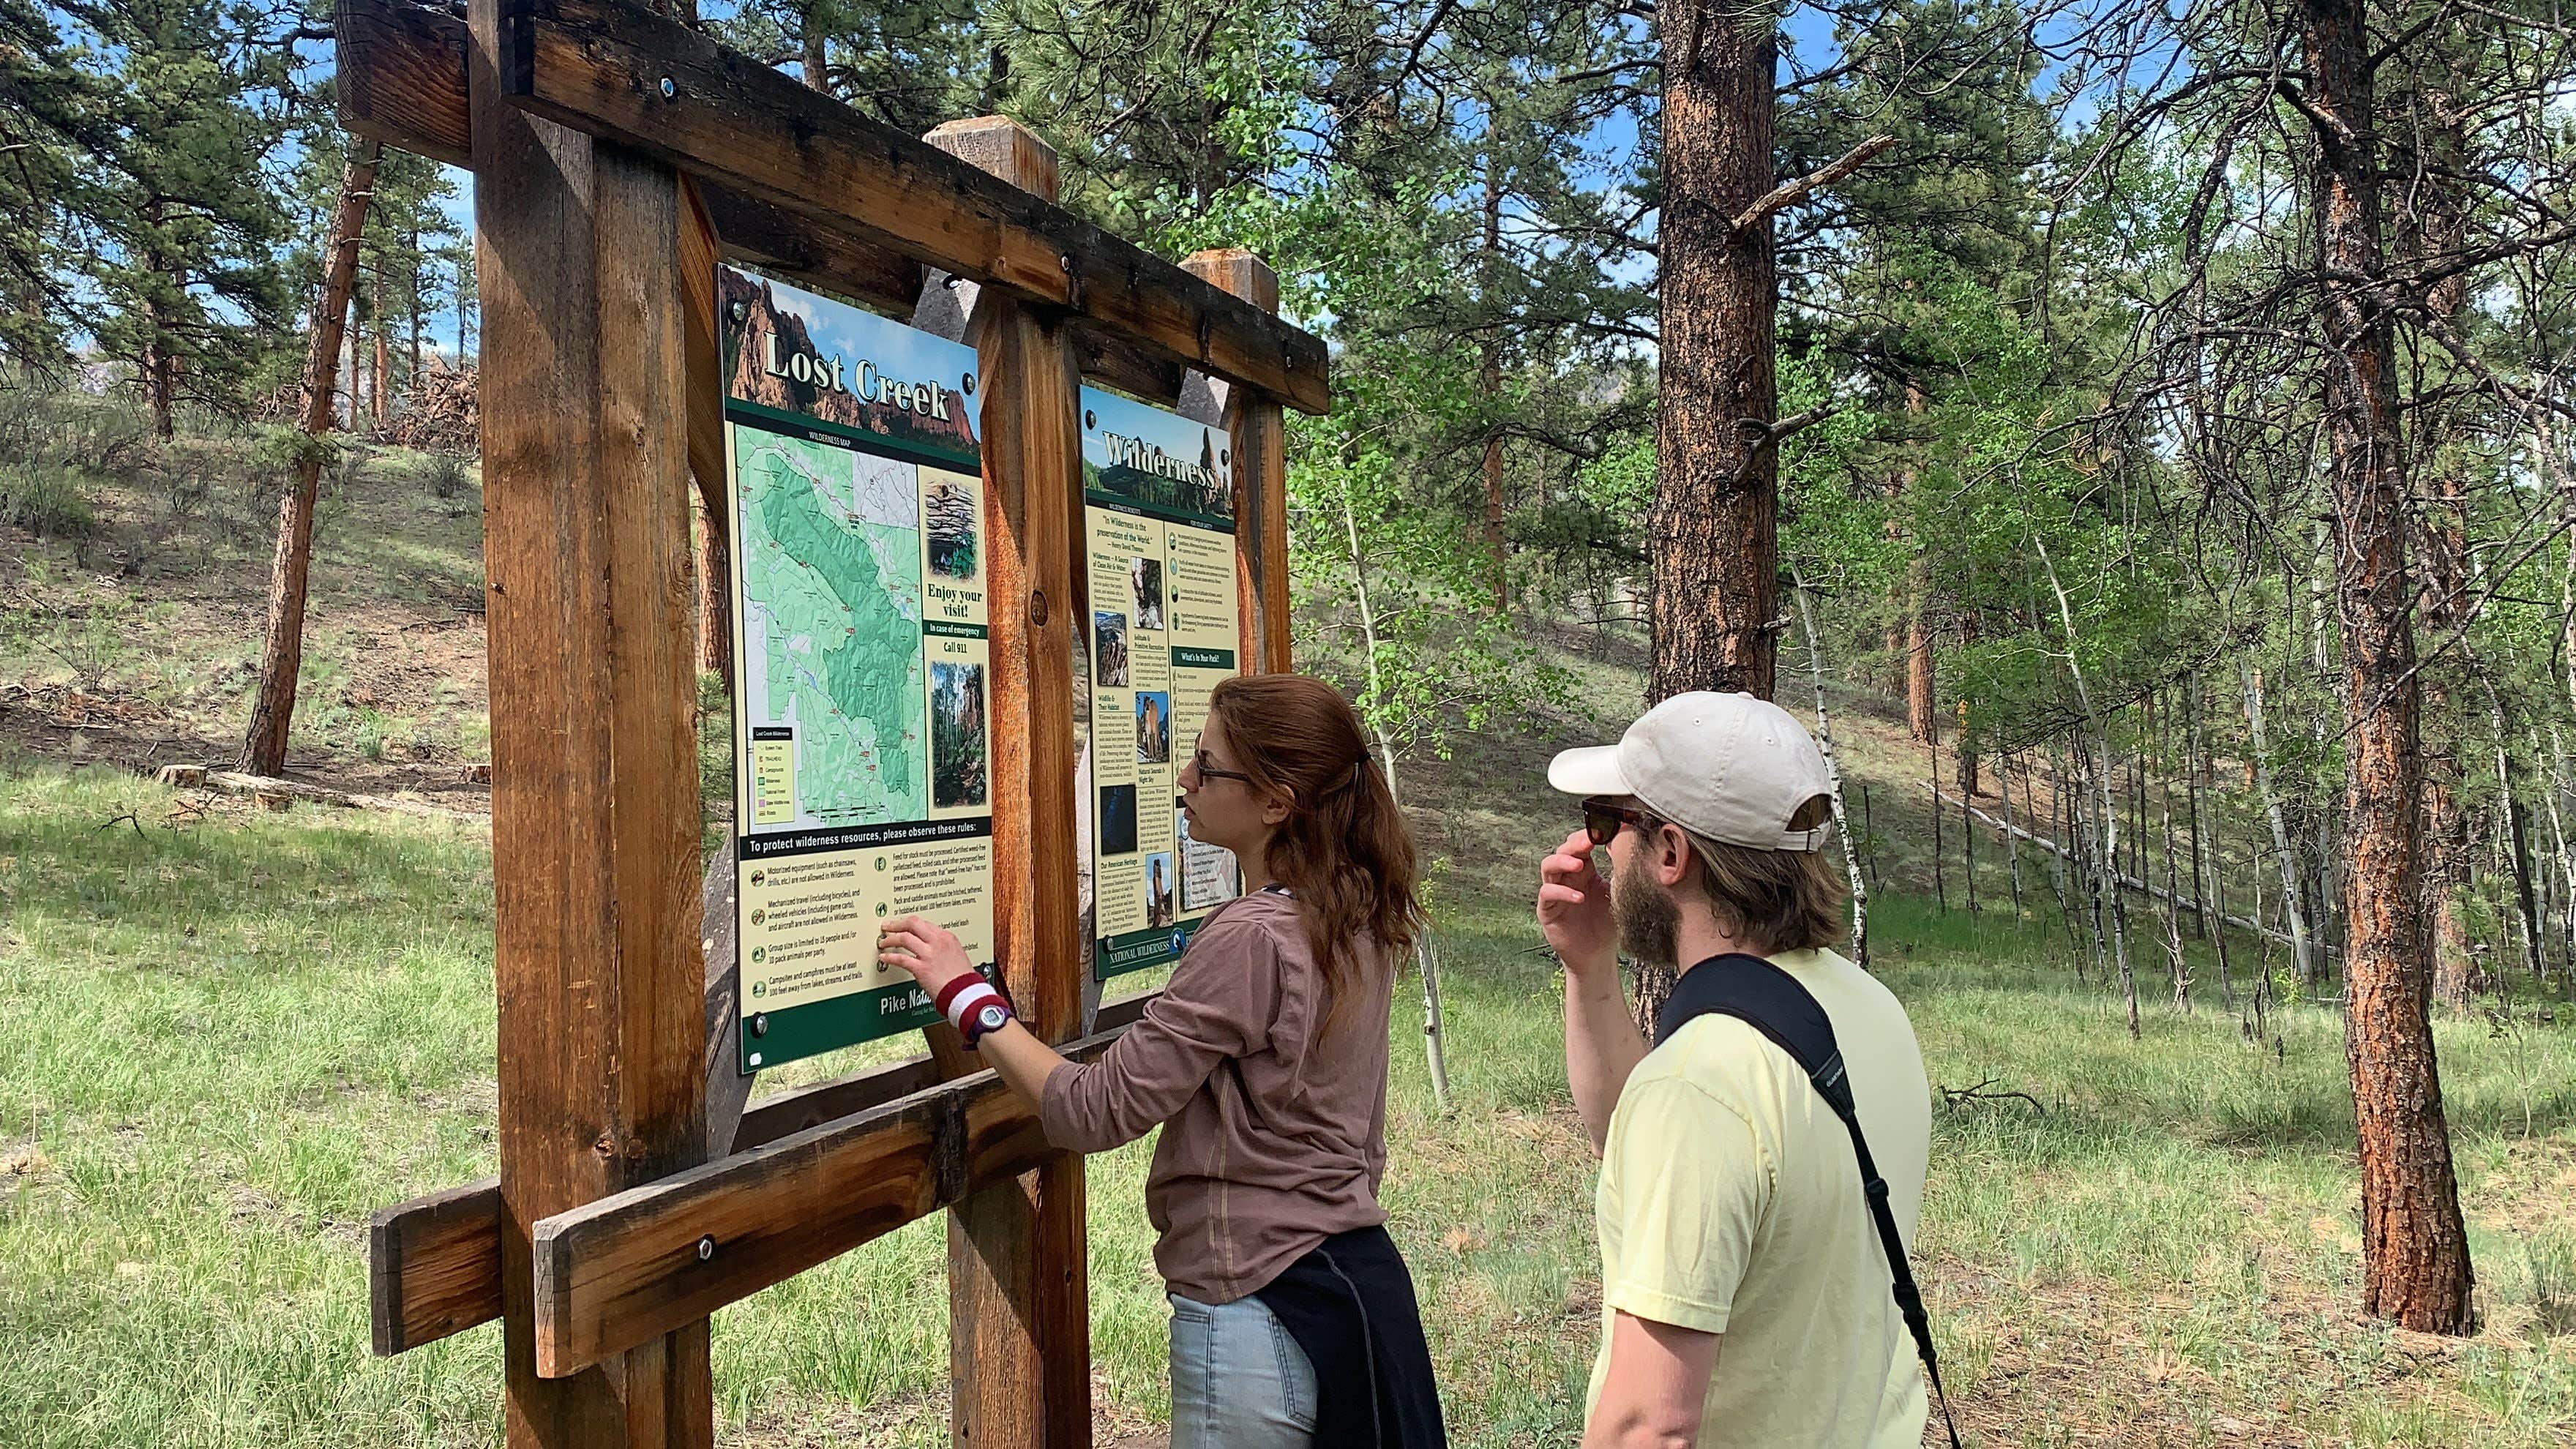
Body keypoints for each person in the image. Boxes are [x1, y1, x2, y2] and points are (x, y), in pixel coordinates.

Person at [880, 673, 1448, 1449]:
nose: (1185, 778)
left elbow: (1092, 1111)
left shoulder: (1254, 937)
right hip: (1352, 1287)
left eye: (1208, 767)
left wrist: (966, 997)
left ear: (1277, 803)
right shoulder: (1355, 910)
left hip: (1257, 1309)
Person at [1536, 692, 1934, 1449]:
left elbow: (1649, 1425)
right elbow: (1637, 1144)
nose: (1596, 853)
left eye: (1606, 822)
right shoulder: (1866, 1007)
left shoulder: (1701, 1083)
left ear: (1670, 852)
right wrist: (1590, 969)